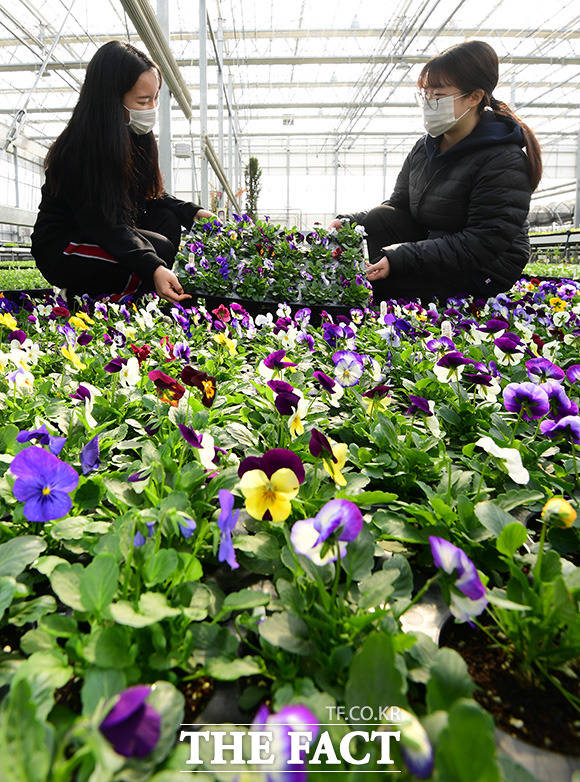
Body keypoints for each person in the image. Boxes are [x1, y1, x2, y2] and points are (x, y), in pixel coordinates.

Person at [330, 40, 542, 303]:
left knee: (384, 287)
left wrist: (401, 258)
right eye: (425, 95)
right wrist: (352, 222)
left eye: (438, 96)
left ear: (474, 97)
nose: (429, 103)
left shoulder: (502, 159)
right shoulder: (425, 147)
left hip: (485, 266)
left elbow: (482, 242)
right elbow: (398, 206)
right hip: (438, 243)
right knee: (379, 219)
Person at [31, 41, 213, 304]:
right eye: (143, 101)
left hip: (99, 231)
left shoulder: (132, 136)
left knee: (167, 219)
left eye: (154, 98)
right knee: (157, 250)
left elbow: (148, 192)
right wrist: (153, 265)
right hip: (65, 249)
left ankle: (133, 296)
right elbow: (104, 225)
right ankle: (88, 298)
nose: (152, 108)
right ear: (111, 100)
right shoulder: (79, 150)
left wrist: (190, 211)